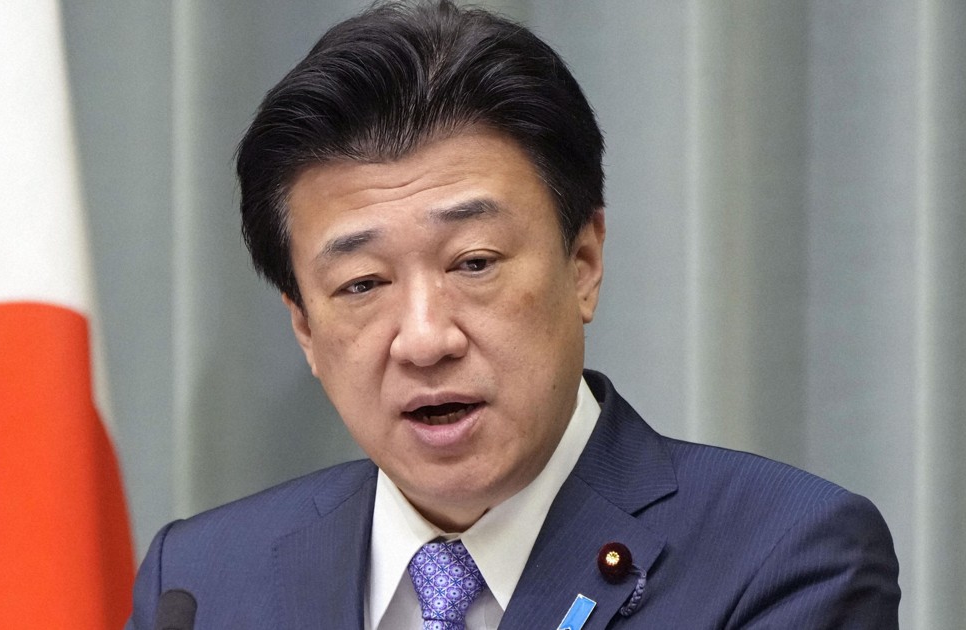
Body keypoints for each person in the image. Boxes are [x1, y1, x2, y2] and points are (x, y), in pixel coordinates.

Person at [127, 2, 901, 628]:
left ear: (583, 263)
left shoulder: (785, 556)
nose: (425, 339)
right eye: (362, 284)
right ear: (304, 328)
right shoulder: (200, 582)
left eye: (474, 263)